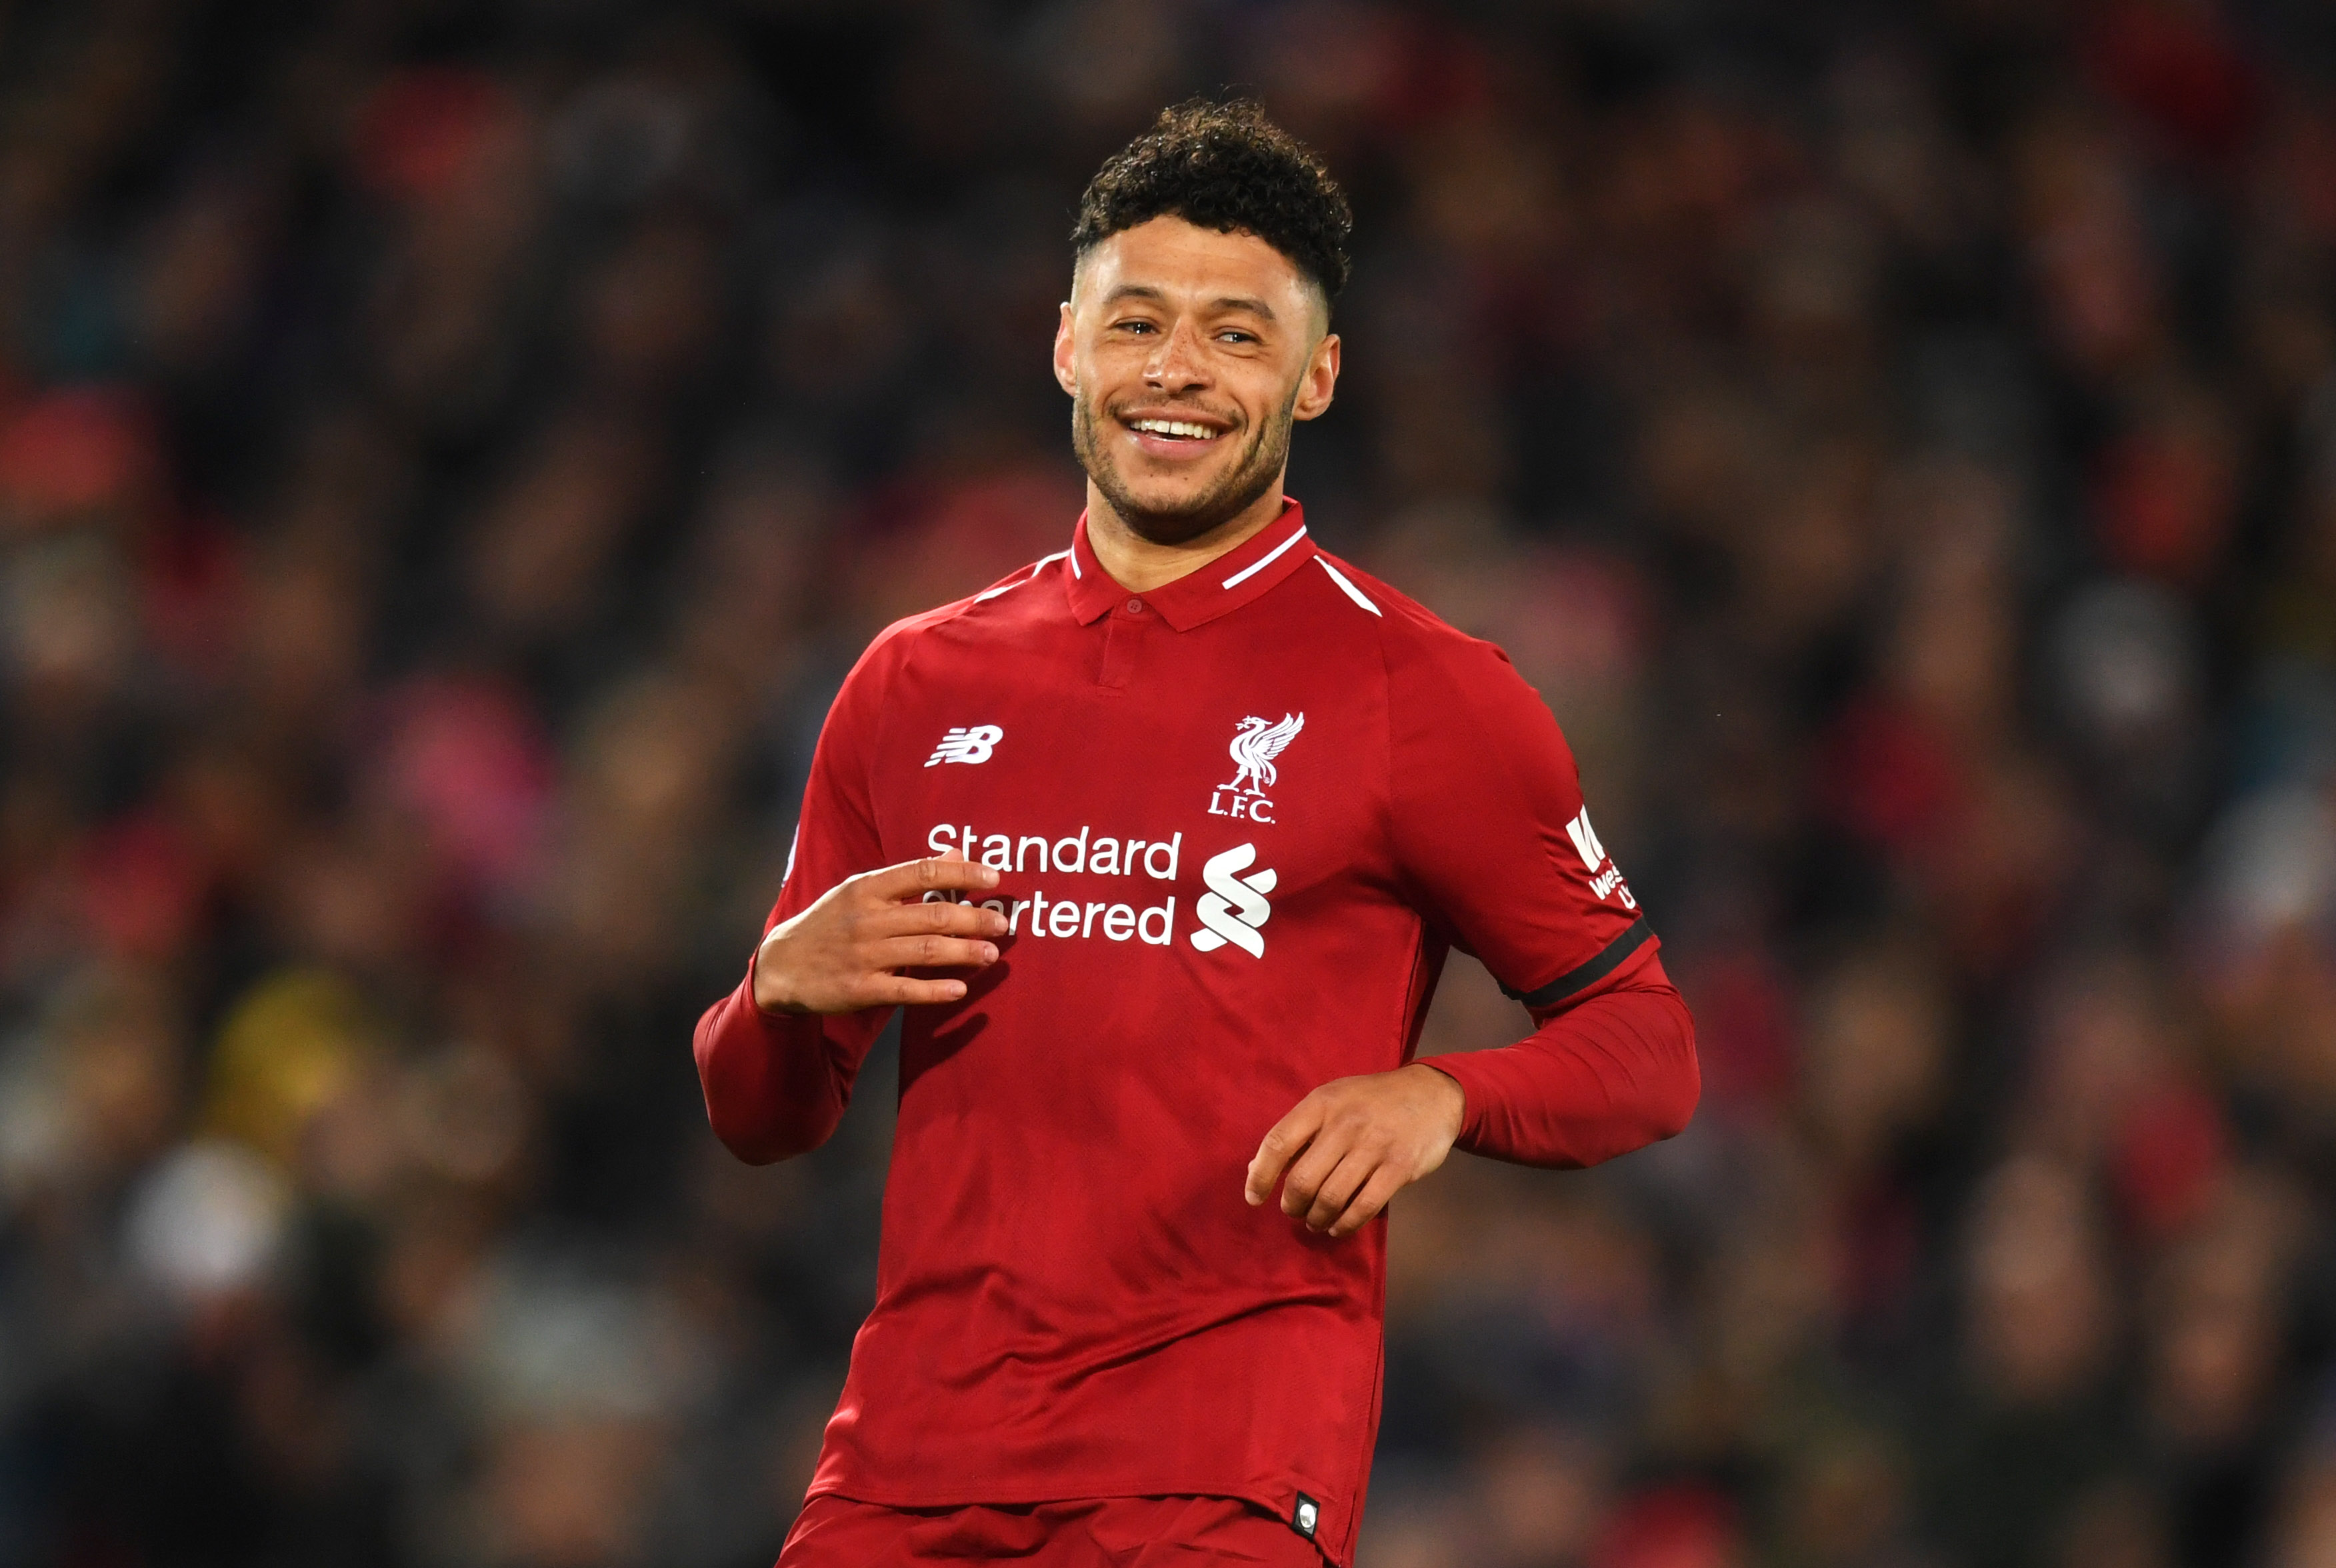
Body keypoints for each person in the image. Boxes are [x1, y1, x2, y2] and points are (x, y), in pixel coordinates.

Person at [693, 99, 1699, 1567]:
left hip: (1216, 1478)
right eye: (1139, 322)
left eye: (1238, 333)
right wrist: (773, 994)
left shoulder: (1424, 693)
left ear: (1318, 376)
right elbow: (763, 1120)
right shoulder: (915, 681)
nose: (1177, 371)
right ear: (1065, 345)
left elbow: (1647, 1047)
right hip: (907, 1466)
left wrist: (1441, 1103)